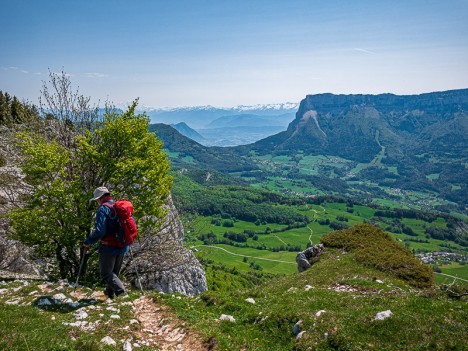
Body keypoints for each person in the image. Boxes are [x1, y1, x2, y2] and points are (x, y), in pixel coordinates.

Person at [84, 186, 129, 298]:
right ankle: (110, 293)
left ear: (100, 198)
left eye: (97, 200)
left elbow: (100, 230)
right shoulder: (118, 206)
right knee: (114, 272)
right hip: (122, 245)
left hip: (109, 246)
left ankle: (121, 292)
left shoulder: (103, 209)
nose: (97, 202)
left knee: (105, 273)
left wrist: (89, 241)